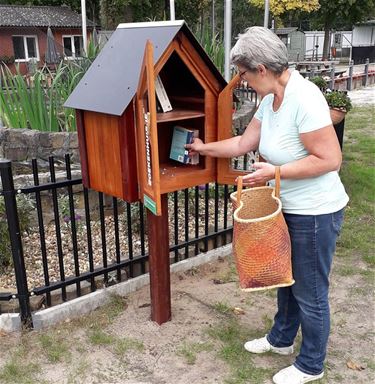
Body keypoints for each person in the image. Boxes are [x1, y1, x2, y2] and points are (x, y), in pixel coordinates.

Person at [185, 26, 349, 384]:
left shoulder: (304, 99)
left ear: (261, 68)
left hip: (316, 211)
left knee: (310, 289)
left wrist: (275, 172)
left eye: (242, 73)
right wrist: (203, 149)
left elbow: (329, 159)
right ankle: (280, 340)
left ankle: (311, 365)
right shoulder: (269, 100)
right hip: (286, 206)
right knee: (285, 279)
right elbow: (244, 142)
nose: (240, 81)